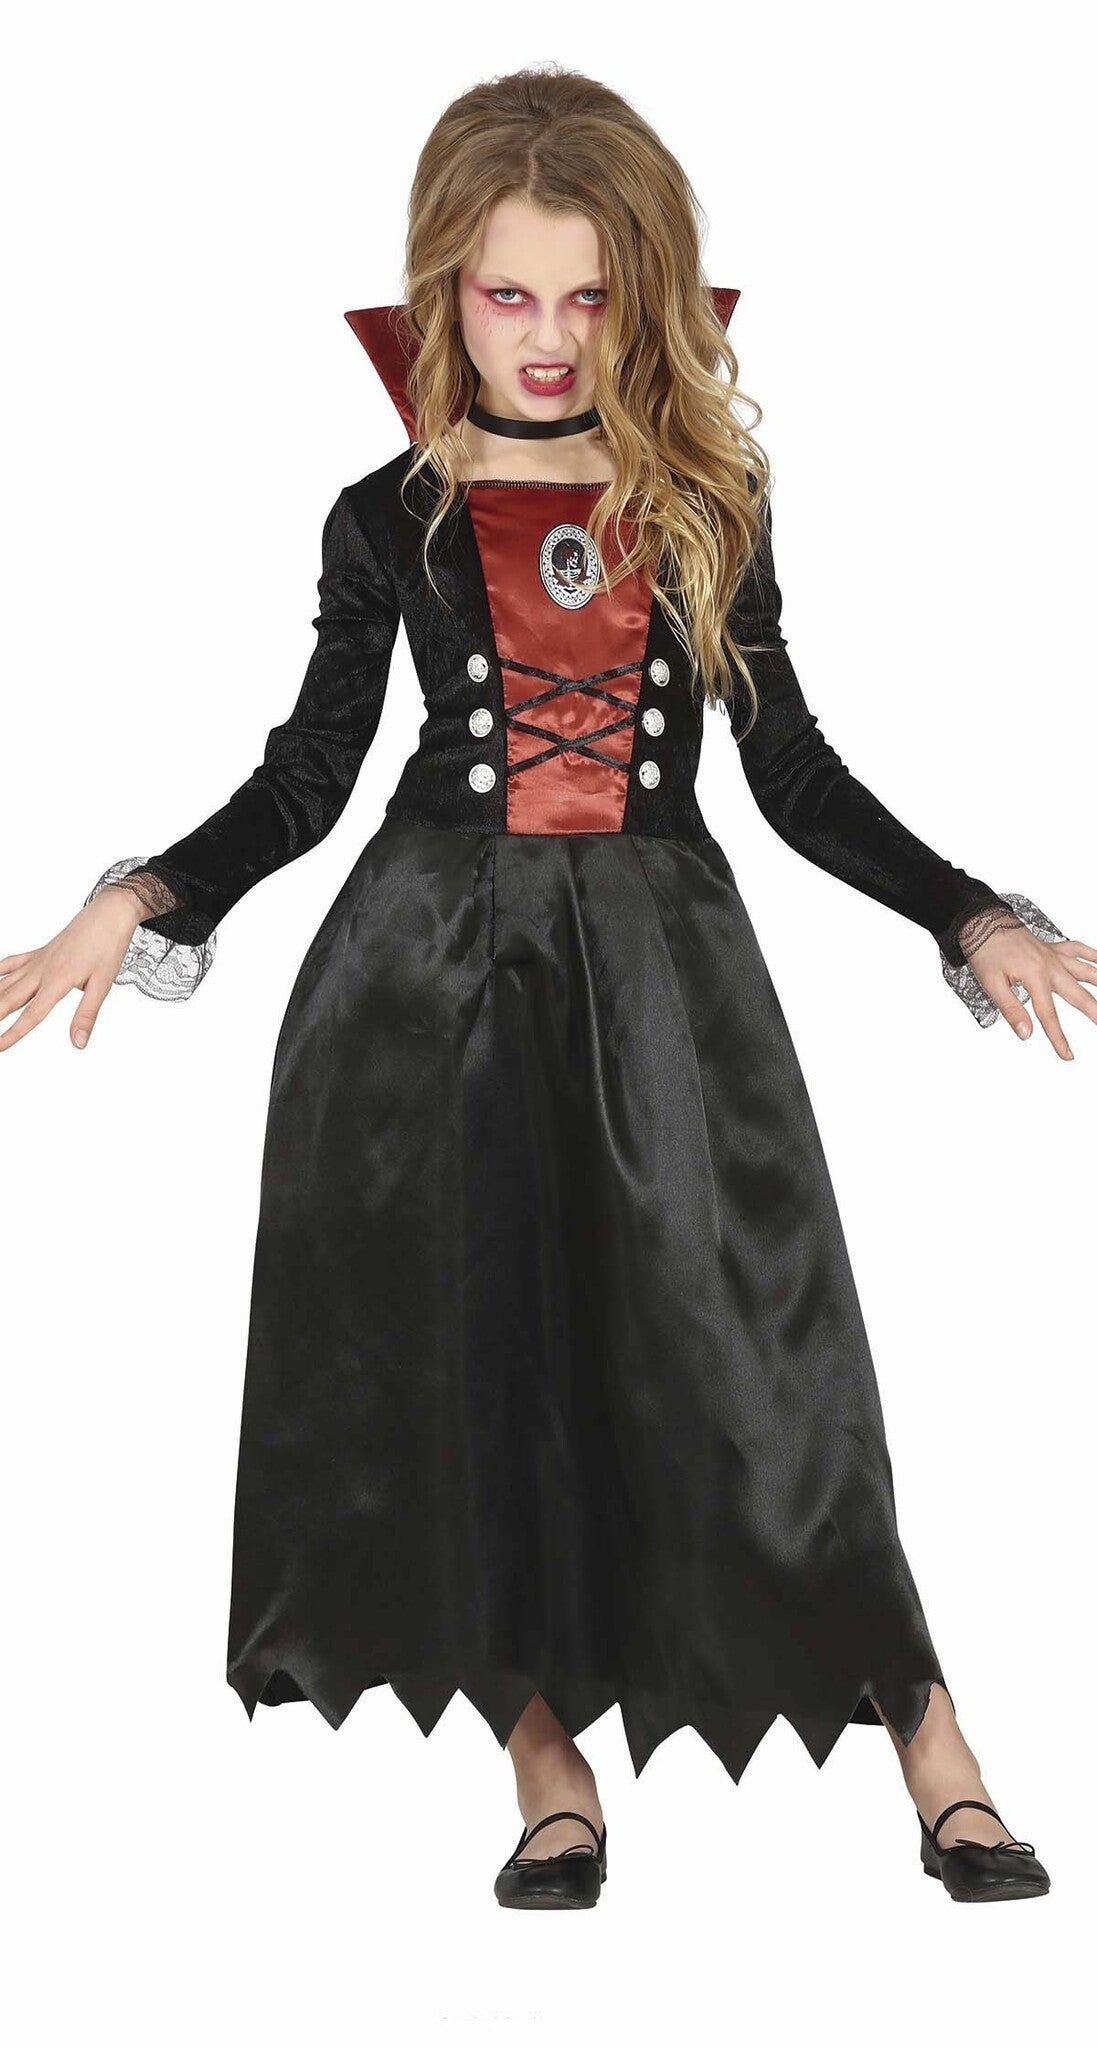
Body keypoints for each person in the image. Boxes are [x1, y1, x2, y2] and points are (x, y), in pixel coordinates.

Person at [3, 66, 1091, 1911]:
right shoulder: (388, 514)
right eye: (509, 292)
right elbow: (307, 774)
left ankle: (934, 1744)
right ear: (447, 286)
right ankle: (547, 1768)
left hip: (667, 981)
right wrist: (143, 894)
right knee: (490, 1368)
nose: (548, 335)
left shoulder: (706, 495)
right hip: (427, 983)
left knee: (768, 1361)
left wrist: (970, 915)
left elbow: (793, 771)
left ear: (640, 292)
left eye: (588, 295)